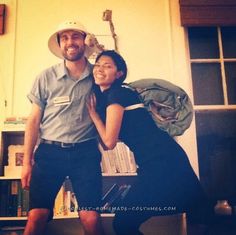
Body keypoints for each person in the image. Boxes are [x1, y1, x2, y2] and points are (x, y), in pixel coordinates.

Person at [87, 50, 214, 235]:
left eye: (107, 66)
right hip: (163, 158)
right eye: (97, 65)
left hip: (162, 161)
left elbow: (109, 142)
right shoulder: (111, 97)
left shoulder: (117, 94)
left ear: (119, 74)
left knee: (124, 223)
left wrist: (94, 116)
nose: (100, 69)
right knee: (195, 210)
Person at [21, 20, 105, 235]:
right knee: (36, 216)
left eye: (76, 36)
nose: (70, 42)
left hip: (85, 153)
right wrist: (26, 162)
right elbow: (33, 121)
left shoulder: (98, 76)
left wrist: (98, 48)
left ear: (84, 41)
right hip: (49, 153)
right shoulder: (45, 77)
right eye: (65, 38)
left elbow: (118, 68)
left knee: (91, 217)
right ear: (59, 44)